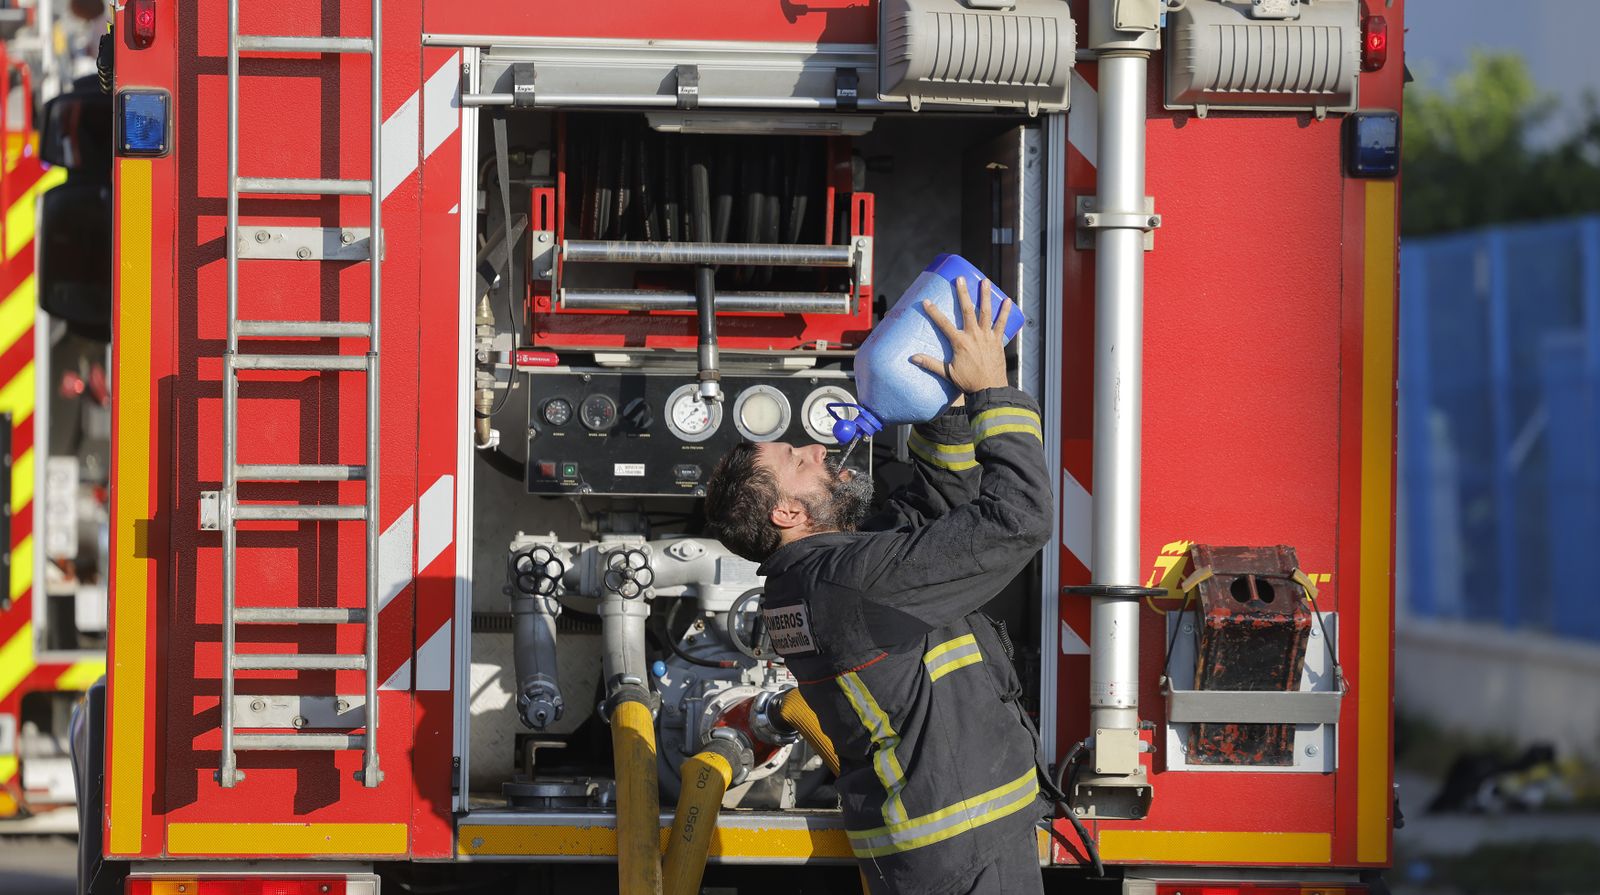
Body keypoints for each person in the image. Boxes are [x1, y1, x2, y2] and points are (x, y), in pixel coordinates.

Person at [703, 277, 1057, 895]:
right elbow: (1016, 522)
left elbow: (931, 517)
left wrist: (940, 412)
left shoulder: (816, 581)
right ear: (786, 514)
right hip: (963, 853)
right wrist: (991, 393)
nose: (817, 449)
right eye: (797, 461)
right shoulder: (845, 585)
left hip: (944, 846)